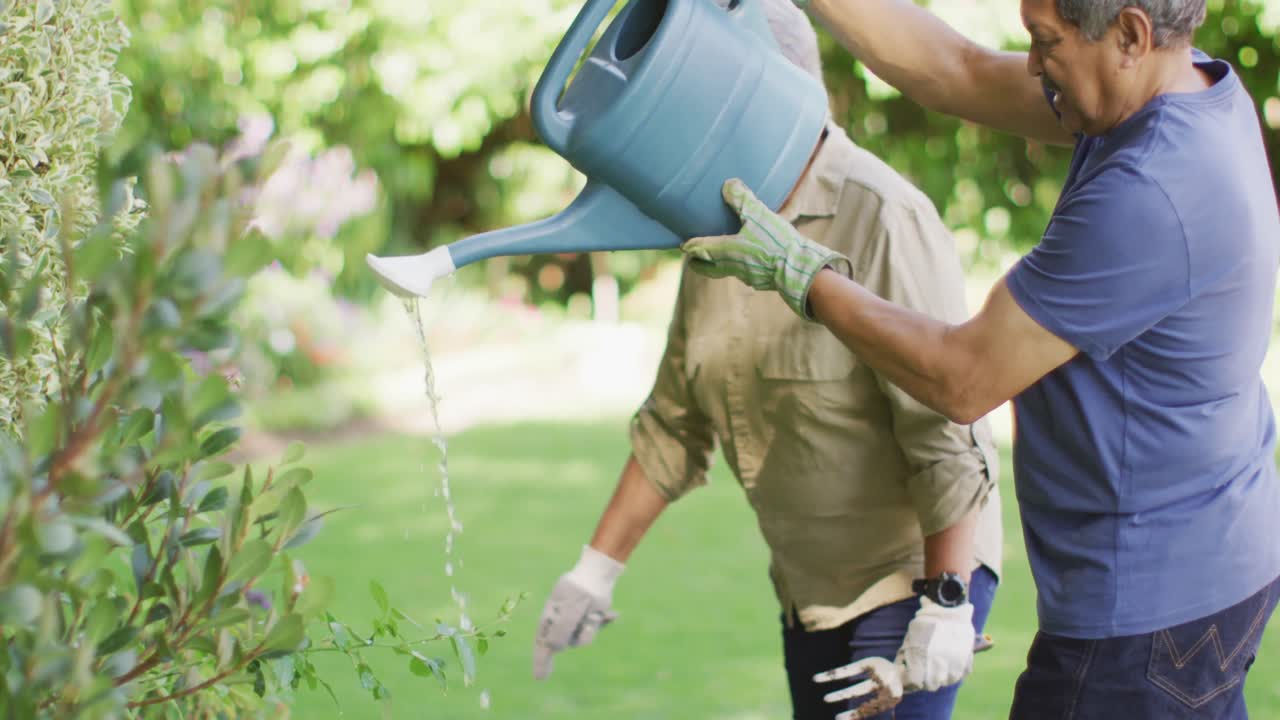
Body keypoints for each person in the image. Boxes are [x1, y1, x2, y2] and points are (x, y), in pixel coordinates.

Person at [682, 1, 1280, 717]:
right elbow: (952, 69)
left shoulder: (1155, 188)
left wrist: (801, 274)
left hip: (1147, 611)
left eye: (1045, 42)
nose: (1031, 64)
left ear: (1129, 33)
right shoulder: (1178, 86)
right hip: (1215, 560)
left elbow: (961, 377)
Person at [531, 2, 1003, 718]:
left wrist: (945, 605)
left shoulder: (882, 216)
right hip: (809, 591)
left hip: (914, 575)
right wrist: (594, 571)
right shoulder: (718, 224)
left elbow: (943, 429)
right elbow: (674, 422)